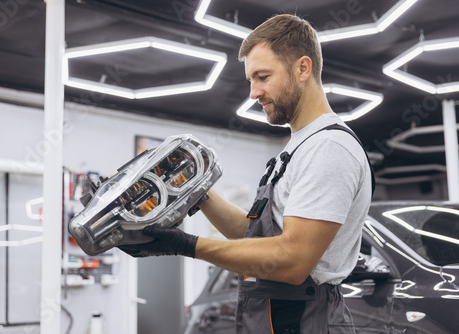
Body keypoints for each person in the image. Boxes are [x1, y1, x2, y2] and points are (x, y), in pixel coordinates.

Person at [120, 14, 374, 334]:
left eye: (263, 76)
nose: (254, 93)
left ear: (303, 68)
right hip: (276, 315)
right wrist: (198, 191)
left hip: (303, 319)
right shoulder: (299, 147)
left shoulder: (329, 148)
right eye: (250, 80)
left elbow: (293, 260)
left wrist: (186, 245)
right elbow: (257, 239)